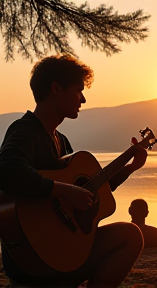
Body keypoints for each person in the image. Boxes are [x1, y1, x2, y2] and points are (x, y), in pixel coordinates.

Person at [0, 54, 148, 288]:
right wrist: (65, 191)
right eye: (79, 90)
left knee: (130, 234)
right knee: (130, 236)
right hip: (33, 258)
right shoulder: (24, 131)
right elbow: (7, 170)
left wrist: (129, 168)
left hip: (60, 249)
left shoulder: (62, 141)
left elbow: (88, 191)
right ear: (56, 88)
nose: (84, 99)